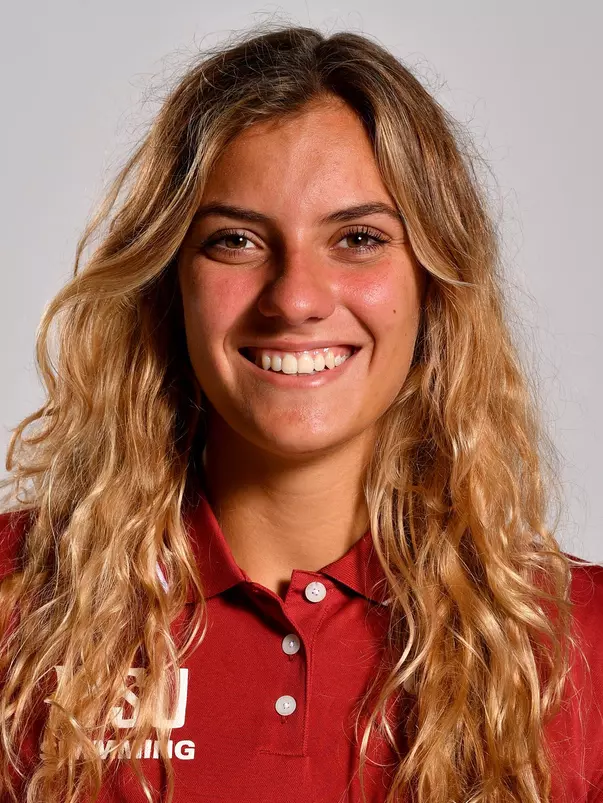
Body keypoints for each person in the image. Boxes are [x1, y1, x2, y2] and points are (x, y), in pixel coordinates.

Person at [0, 21, 601, 803]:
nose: (294, 299)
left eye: (357, 238)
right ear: (168, 282)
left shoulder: (579, 640)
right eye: (236, 240)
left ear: (433, 283)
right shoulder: (18, 602)